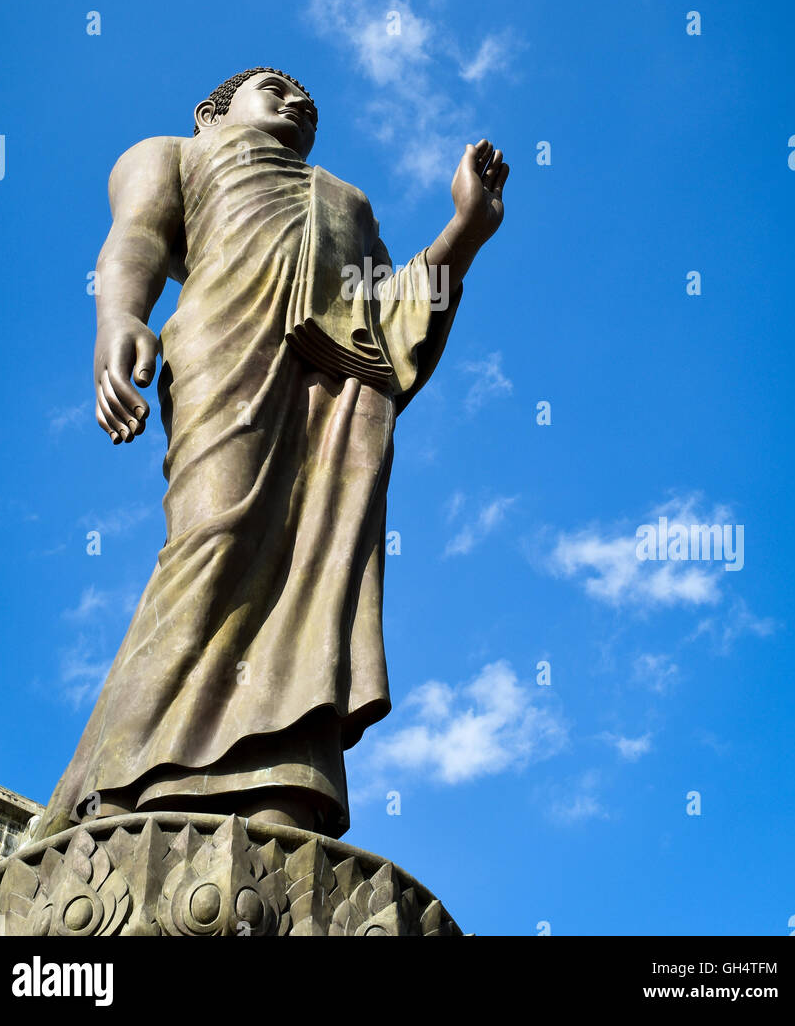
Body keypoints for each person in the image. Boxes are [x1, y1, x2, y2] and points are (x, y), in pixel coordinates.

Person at [38, 67, 508, 840]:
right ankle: (118, 780)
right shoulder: (177, 154)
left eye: (310, 107)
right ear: (211, 112)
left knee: (309, 569)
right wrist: (119, 317)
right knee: (212, 541)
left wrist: (465, 230)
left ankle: (279, 777)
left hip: (333, 393)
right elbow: (139, 237)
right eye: (276, 91)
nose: (297, 106)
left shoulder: (346, 204)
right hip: (227, 353)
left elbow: (391, 319)